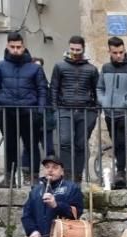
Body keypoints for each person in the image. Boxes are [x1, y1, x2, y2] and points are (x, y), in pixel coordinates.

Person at [0, 32, 48, 185]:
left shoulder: (34, 68)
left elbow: (42, 89)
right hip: (6, 111)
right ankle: (10, 177)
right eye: (12, 47)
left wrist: (39, 110)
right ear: (7, 47)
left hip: (29, 111)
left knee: (31, 144)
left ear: (24, 47)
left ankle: (34, 177)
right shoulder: (0, 66)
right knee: (10, 144)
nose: (16, 50)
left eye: (18, 47)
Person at [96, 36, 127, 187]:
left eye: (121, 52)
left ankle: (121, 173)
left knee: (121, 142)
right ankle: (119, 172)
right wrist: (103, 101)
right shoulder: (105, 68)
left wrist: (126, 103)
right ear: (109, 51)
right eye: (115, 52)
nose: (119, 55)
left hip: (125, 113)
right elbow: (100, 88)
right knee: (116, 143)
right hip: (109, 113)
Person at [51, 35, 99, 182]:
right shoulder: (60, 66)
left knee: (81, 144)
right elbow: (54, 88)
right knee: (65, 141)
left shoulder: (91, 69)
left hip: (85, 110)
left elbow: (97, 90)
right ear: (68, 48)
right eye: (72, 49)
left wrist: (95, 110)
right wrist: (54, 108)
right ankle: (67, 174)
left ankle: (77, 175)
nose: (75, 52)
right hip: (64, 109)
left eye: (78, 49)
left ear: (83, 49)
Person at [31, 57, 57, 159]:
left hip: (46, 120)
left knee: (49, 148)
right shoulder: (28, 82)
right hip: (32, 120)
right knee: (30, 148)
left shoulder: (46, 83)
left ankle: (52, 170)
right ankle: (30, 173)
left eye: (40, 67)